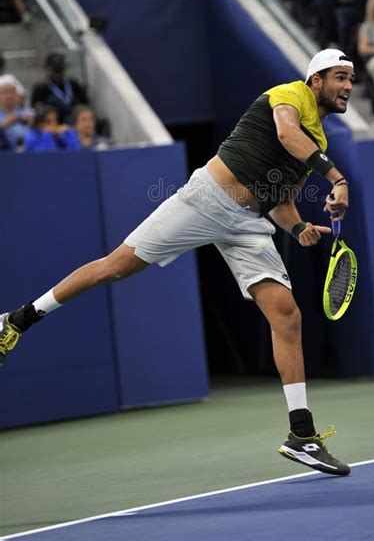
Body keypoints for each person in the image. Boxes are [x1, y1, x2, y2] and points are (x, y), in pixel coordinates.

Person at [0, 48, 355, 477]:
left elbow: (281, 198)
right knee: (117, 265)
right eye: (340, 77)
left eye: (351, 80)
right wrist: (335, 177)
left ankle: (301, 435)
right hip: (206, 198)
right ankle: (19, 319)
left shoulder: (319, 141)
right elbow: (283, 134)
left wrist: (297, 229)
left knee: (287, 316)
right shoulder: (289, 95)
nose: (348, 87)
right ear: (316, 80)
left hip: (247, 224)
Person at [31, 53, 88, 124]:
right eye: (55, 71)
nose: (58, 75)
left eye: (60, 71)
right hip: (51, 122)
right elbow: (36, 109)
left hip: (73, 120)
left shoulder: (73, 84)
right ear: (48, 70)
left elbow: (84, 104)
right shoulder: (40, 88)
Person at [0, 75, 34, 150]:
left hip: (29, 152)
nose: (9, 96)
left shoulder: (29, 113)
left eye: (13, 92)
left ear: (19, 96)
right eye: (5, 92)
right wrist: (3, 125)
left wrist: (34, 124)